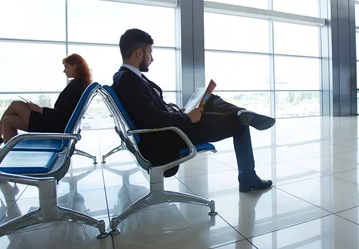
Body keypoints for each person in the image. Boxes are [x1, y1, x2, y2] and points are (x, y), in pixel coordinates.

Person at [112, 28, 275, 193]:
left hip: (170, 128)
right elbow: (152, 119)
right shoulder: (129, 81)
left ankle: (241, 112)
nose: (152, 58)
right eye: (150, 53)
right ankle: (248, 177)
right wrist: (187, 118)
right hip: (168, 137)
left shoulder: (127, 77)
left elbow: (147, 111)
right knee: (239, 124)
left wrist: (177, 111)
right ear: (139, 53)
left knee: (209, 99)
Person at [0, 53, 92, 148]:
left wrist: (40, 110)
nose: (64, 71)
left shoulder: (76, 86)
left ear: (75, 66)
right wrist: (40, 110)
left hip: (54, 126)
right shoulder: (80, 85)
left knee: (15, 105)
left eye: (66, 67)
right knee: (8, 121)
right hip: (55, 124)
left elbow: (63, 114)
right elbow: (65, 112)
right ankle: (11, 155)